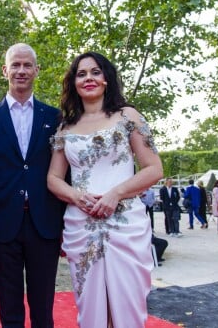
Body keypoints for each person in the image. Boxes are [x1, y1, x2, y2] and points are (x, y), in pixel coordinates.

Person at [47, 51, 163, 327]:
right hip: (81, 224)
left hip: (125, 225)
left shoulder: (129, 116)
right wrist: (76, 195)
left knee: (128, 304)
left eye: (95, 72)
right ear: (73, 83)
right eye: (81, 73)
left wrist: (116, 194)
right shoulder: (65, 127)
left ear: (107, 79)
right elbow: (53, 178)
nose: (89, 78)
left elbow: (154, 169)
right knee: (89, 306)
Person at [0, 43, 64, 327]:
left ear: (37, 70)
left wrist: (65, 225)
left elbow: (64, 174)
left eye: (27, 65)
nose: (21, 71)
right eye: (15, 65)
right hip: (3, 227)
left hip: (44, 225)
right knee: (9, 309)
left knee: (43, 307)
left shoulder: (55, 117)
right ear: (5, 70)